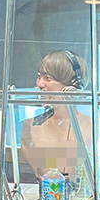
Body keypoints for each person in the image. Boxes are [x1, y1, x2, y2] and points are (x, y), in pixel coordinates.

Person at [20, 50, 91, 181]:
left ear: (74, 85)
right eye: (39, 77)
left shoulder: (96, 125)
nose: (40, 84)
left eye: (48, 78)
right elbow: (42, 175)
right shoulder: (29, 127)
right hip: (49, 193)